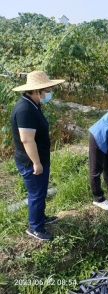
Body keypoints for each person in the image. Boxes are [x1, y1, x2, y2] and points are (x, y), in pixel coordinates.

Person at [11, 70, 65, 241]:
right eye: (46, 90)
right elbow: (27, 140)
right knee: (36, 193)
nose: (49, 93)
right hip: (30, 162)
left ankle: (41, 218)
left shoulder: (33, 105)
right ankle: (35, 227)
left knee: (40, 192)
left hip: (39, 158)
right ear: (36, 91)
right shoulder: (25, 109)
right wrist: (36, 163)